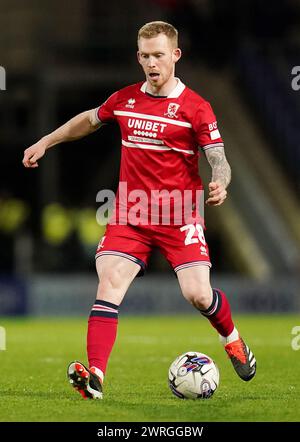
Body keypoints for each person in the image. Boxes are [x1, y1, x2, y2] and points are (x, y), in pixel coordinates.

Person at [23, 21, 256, 400]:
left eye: (159, 55)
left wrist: (221, 182)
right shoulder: (126, 99)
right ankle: (95, 376)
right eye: (145, 56)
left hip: (180, 215)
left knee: (197, 294)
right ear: (138, 57)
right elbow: (89, 119)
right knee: (109, 284)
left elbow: (219, 159)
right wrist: (46, 141)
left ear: (175, 56)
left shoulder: (196, 107)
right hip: (131, 213)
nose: (152, 63)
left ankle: (232, 339)